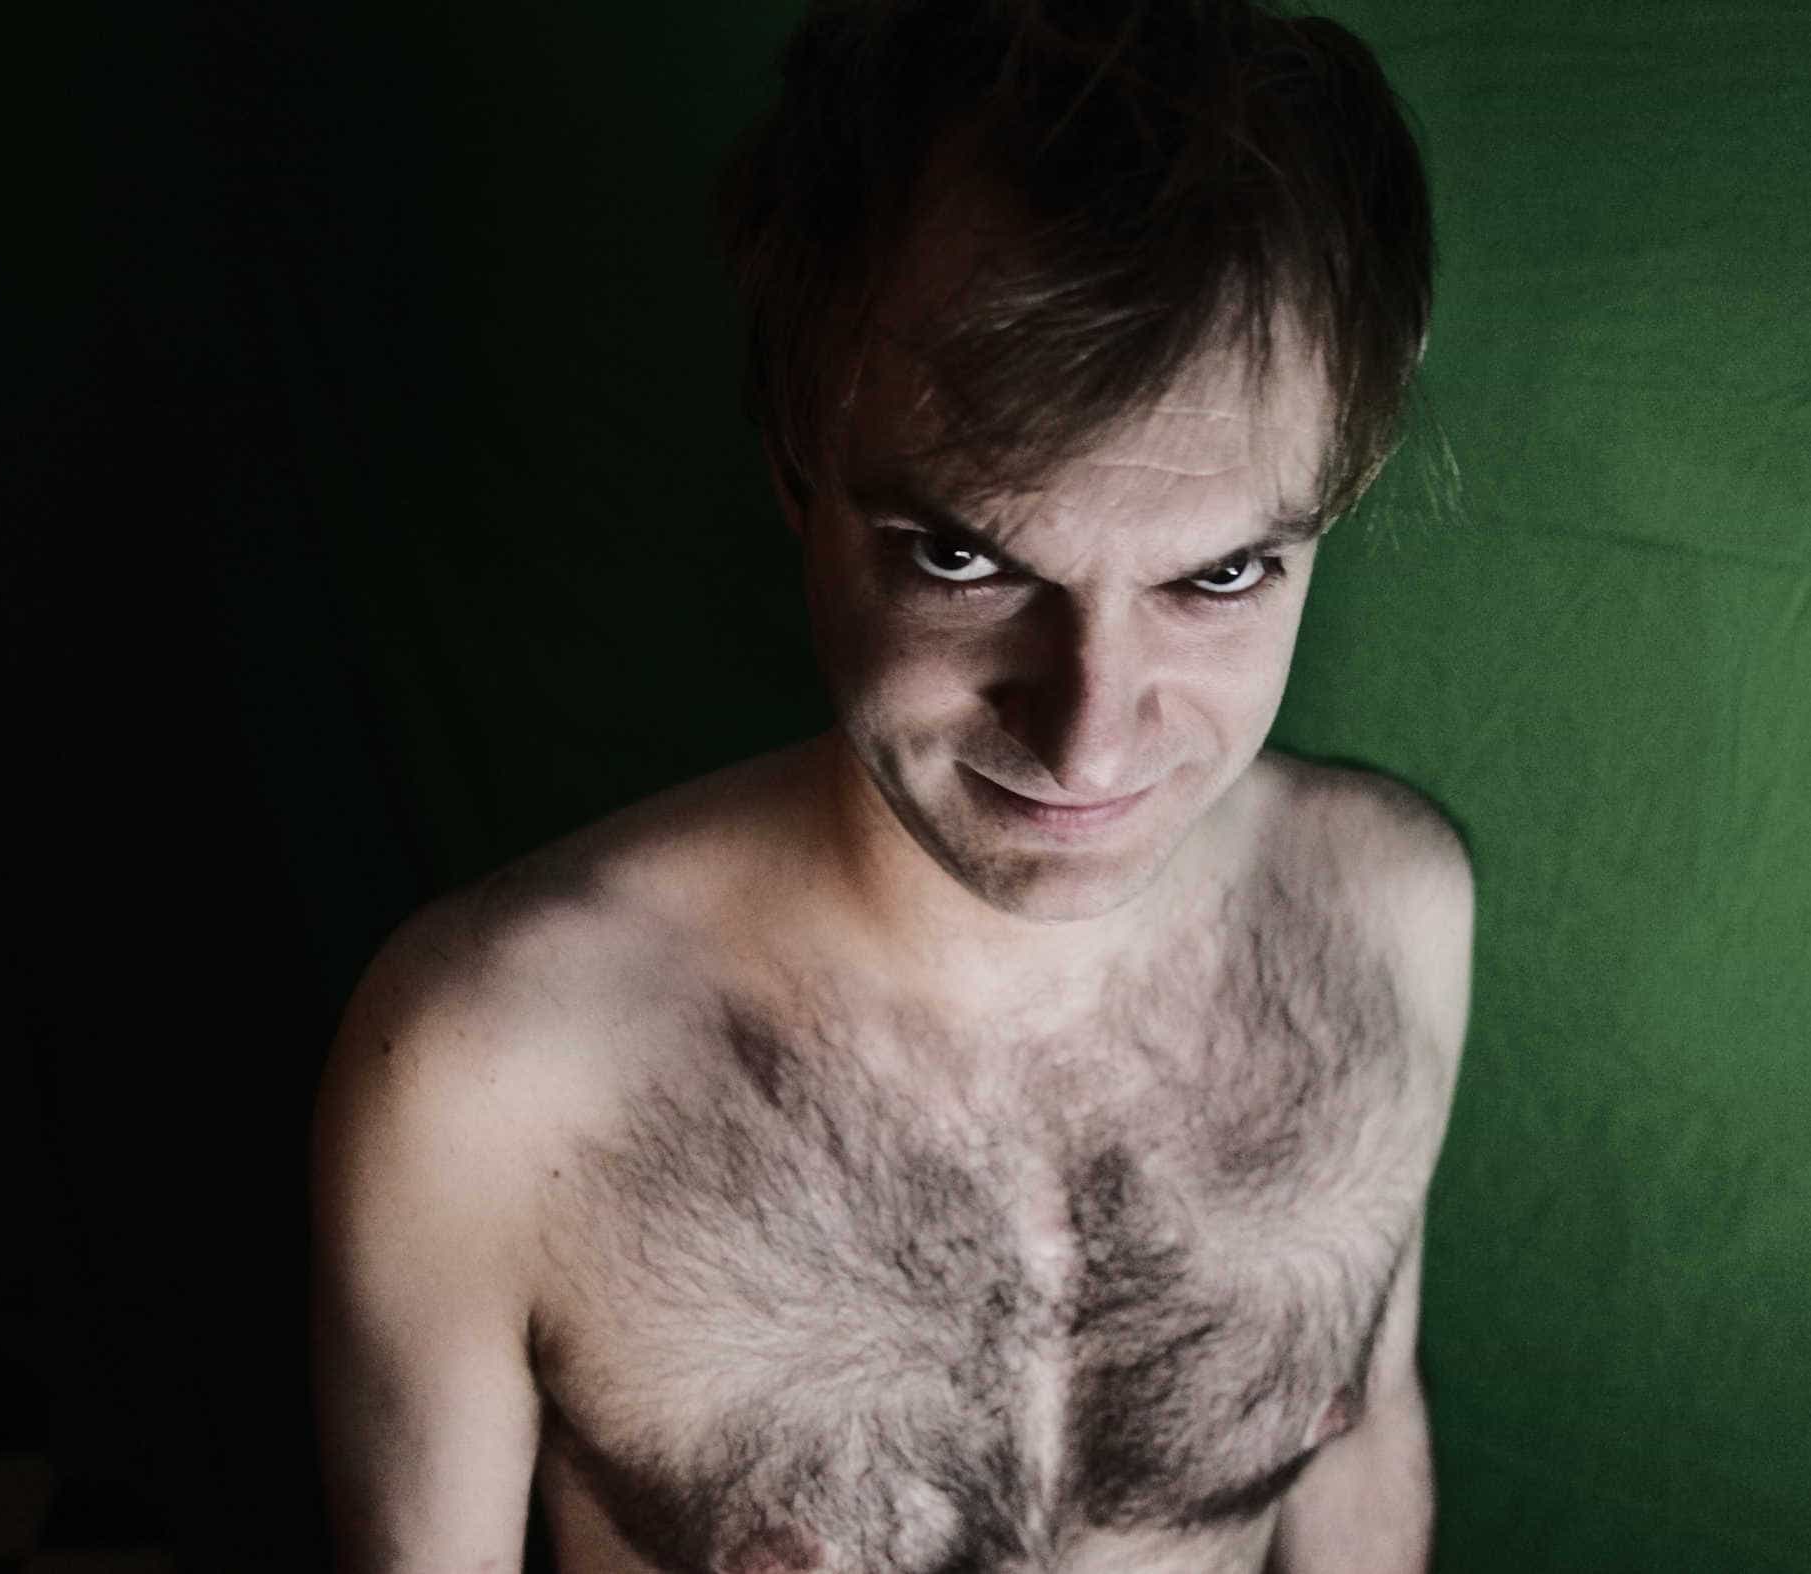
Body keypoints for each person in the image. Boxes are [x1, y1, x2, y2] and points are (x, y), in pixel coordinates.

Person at [311, 1, 1471, 1569]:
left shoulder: (1389, 919)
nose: (1088, 741)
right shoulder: (490, 1071)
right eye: (963, 558)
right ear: (797, 458)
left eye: (1219, 575)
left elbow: (1357, 1433)